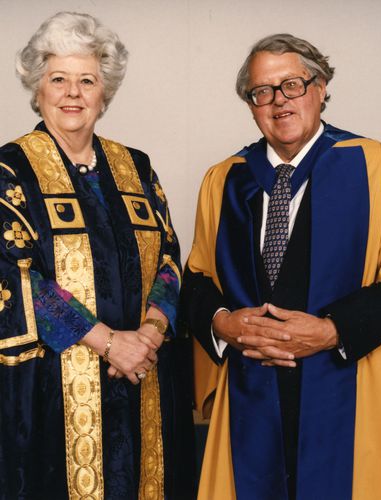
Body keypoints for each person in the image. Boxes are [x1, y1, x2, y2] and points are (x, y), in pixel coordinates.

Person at [180, 33, 381, 500]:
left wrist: (334, 331)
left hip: (348, 391)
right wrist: (223, 323)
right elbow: (195, 281)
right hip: (249, 397)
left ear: (320, 87)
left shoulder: (378, 167)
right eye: (262, 92)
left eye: (292, 85)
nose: (278, 101)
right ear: (251, 105)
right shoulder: (224, 179)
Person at [0, 11, 194, 500]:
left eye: (86, 80)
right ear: (37, 88)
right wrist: (110, 343)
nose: (72, 93)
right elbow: (16, 278)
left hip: (143, 376)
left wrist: (149, 334)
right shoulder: (10, 169)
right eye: (58, 79)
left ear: (103, 93)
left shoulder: (135, 166)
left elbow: (168, 258)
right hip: (53, 388)